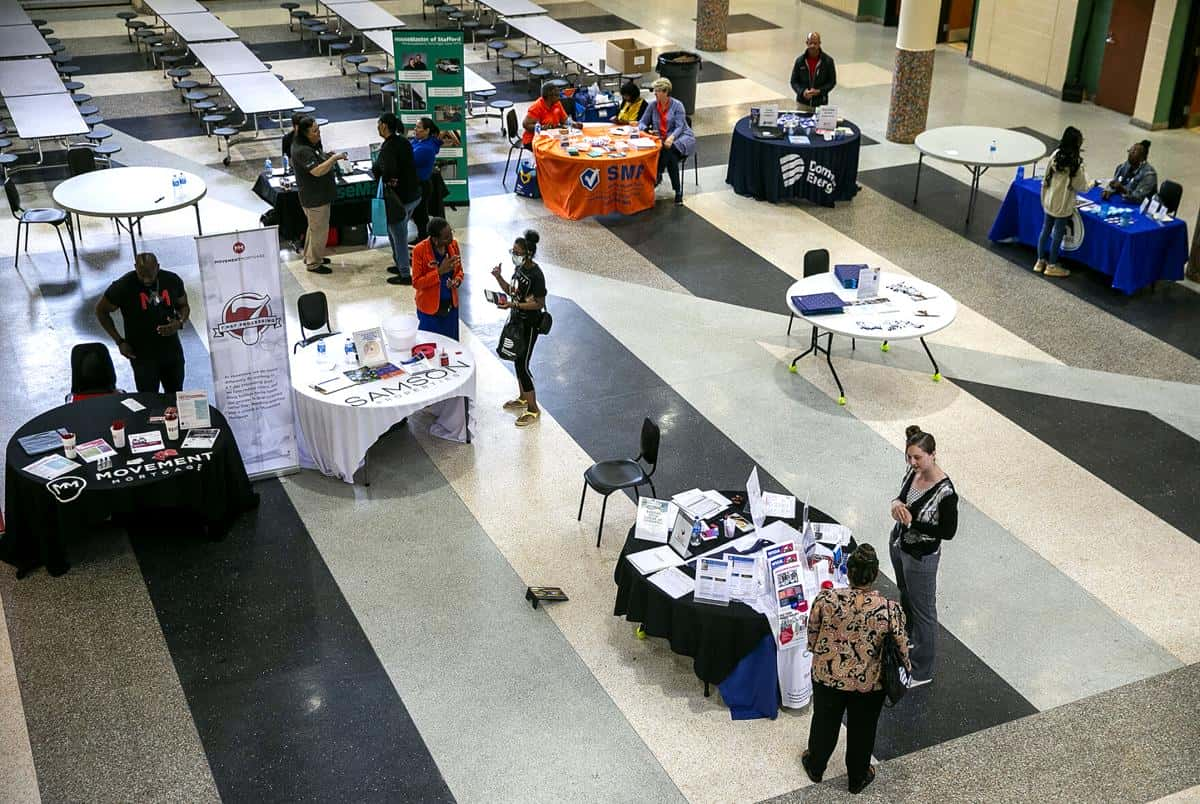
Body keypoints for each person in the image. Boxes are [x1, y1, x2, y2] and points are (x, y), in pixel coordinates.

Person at [804, 544, 909, 796]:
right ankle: (857, 777)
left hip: (828, 675)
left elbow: (812, 635)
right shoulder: (889, 609)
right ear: (874, 575)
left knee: (824, 721)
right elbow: (902, 649)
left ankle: (816, 766)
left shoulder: (826, 599)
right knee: (863, 729)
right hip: (869, 683)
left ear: (848, 572)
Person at [888, 425, 958, 688]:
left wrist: (912, 523)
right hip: (900, 544)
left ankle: (922, 670)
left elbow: (948, 532)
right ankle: (909, 641)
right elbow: (901, 497)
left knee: (924, 610)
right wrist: (896, 504)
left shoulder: (946, 493)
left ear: (933, 455)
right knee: (906, 595)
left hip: (921, 557)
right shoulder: (912, 471)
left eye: (918, 457)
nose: (913, 462)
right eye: (909, 457)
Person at [95, 252, 190, 393]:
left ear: (157, 267)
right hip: (141, 355)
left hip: (171, 351)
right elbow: (101, 310)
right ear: (135, 268)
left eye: (150, 275)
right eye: (141, 275)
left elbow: (183, 306)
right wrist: (119, 341)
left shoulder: (172, 280)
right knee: (148, 399)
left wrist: (179, 322)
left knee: (175, 395)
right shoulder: (123, 286)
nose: (146, 280)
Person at [490, 229, 546, 428]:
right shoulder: (519, 270)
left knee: (523, 365)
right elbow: (513, 291)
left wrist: (515, 305)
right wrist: (498, 277)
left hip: (530, 325)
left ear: (528, 254)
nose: (514, 255)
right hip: (517, 320)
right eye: (512, 251)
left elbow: (539, 303)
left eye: (517, 252)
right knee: (517, 360)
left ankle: (533, 408)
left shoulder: (536, 275)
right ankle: (523, 398)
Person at [290, 116, 347, 275]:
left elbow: (317, 160)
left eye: (318, 130)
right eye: (314, 131)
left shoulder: (308, 145)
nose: (318, 133)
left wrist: (326, 156)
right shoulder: (302, 150)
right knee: (320, 231)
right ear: (304, 133)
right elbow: (317, 171)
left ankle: (311, 257)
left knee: (314, 229)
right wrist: (334, 159)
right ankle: (314, 263)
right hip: (314, 198)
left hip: (318, 195)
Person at [372, 112, 422, 286]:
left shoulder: (388, 148)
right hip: (414, 195)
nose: (377, 127)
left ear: (384, 126)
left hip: (399, 200)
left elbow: (388, 171)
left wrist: (381, 174)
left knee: (398, 235)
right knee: (397, 232)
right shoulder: (403, 141)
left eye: (379, 124)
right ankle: (399, 263)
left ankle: (404, 273)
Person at [1036, 126, 1088, 279]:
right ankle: (1051, 265)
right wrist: (1091, 183)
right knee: (1057, 235)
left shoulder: (1055, 155)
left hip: (1050, 200)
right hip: (1064, 204)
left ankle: (1040, 261)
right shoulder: (1076, 163)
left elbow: (1046, 177)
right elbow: (1081, 186)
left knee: (1045, 230)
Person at [638, 78, 696, 206]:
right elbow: (642, 122)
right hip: (663, 140)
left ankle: (657, 174)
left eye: (657, 91)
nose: (655, 93)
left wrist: (671, 138)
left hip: (681, 137)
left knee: (668, 151)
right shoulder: (653, 105)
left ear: (665, 92)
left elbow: (680, 126)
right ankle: (677, 191)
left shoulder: (677, 105)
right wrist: (646, 129)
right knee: (670, 157)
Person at [410, 217, 463, 340]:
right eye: (446, 237)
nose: (450, 238)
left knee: (452, 345)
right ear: (435, 240)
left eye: (451, 233)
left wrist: (457, 281)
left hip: (451, 308)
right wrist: (439, 272)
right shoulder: (420, 250)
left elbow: (459, 271)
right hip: (430, 312)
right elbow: (417, 283)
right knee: (431, 346)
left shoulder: (453, 245)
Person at [411, 117, 442, 242]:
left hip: (421, 185)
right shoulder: (418, 142)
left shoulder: (426, 148)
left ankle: (424, 238)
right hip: (418, 183)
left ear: (427, 131)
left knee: (421, 215)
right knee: (418, 214)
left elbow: (409, 160)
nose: (415, 129)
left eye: (418, 127)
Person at [790, 32, 837, 112]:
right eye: (810, 43)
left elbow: (832, 82)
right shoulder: (800, 61)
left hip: (820, 103)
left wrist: (819, 91)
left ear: (819, 44)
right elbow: (794, 81)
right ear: (807, 43)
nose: (812, 46)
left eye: (815, 43)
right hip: (802, 104)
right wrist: (802, 92)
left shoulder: (828, 61)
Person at [1103, 139, 1157, 204]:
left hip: (1140, 207)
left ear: (1142, 158)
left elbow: (1139, 198)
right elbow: (1115, 181)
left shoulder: (1149, 175)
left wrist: (1123, 190)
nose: (1130, 154)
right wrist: (1108, 190)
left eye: (1134, 152)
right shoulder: (1127, 164)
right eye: (1130, 151)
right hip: (1124, 200)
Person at [522, 82, 569, 147]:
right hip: (533, 140)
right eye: (557, 95)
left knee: (568, 144)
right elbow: (526, 125)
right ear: (549, 96)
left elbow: (564, 120)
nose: (559, 98)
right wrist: (541, 127)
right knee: (555, 150)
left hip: (552, 137)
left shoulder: (557, 103)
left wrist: (573, 123)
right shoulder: (536, 107)